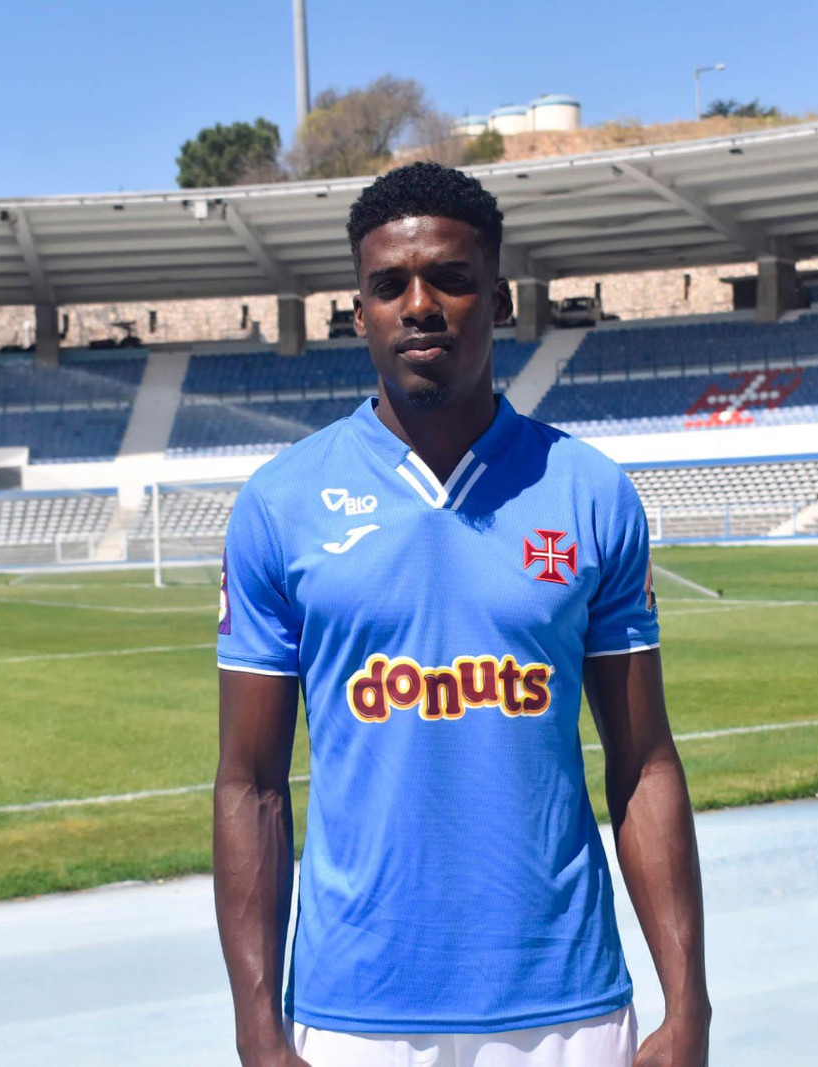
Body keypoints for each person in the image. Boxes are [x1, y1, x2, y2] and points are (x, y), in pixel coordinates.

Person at [213, 161, 710, 1067]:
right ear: (358, 311)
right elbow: (249, 783)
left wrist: (690, 1003)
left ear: (500, 298)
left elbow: (643, 762)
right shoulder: (280, 504)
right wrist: (257, 1027)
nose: (420, 304)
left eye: (450, 277)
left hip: (566, 1005)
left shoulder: (591, 493)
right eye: (389, 284)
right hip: (353, 1010)